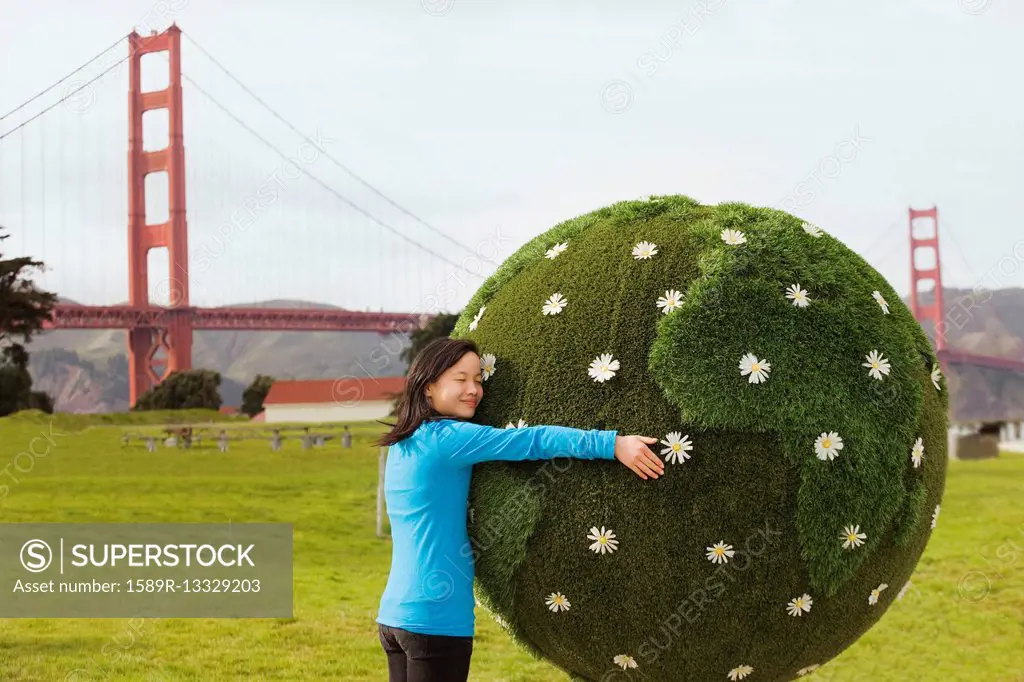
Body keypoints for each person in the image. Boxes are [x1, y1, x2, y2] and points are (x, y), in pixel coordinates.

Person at [373, 338, 664, 682]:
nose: (473, 390)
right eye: (460, 379)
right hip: (433, 620)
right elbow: (532, 441)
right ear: (428, 387)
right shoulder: (449, 438)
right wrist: (612, 444)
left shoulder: (404, 442)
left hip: (394, 617)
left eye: (479, 380)